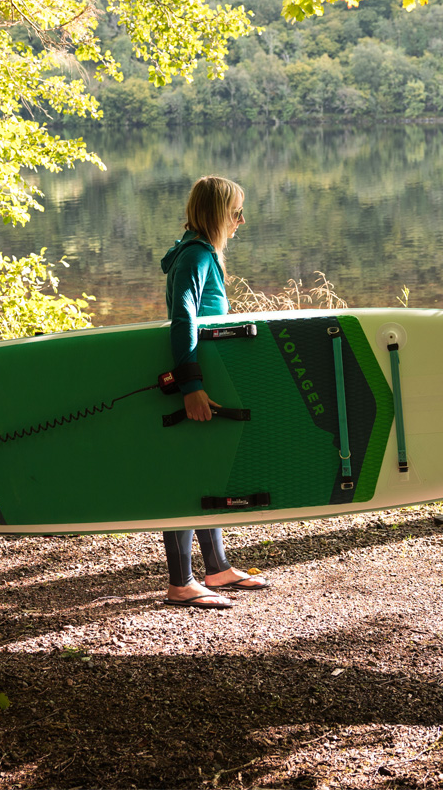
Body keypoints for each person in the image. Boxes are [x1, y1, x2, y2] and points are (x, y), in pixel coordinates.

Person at [158, 175, 271, 610]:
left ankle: (217, 567)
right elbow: (184, 321)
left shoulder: (197, 252)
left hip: (205, 374)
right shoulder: (196, 257)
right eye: (235, 212)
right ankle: (180, 582)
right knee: (190, 475)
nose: (241, 220)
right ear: (217, 214)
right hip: (196, 377)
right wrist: (192, 386)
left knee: (207, 470)